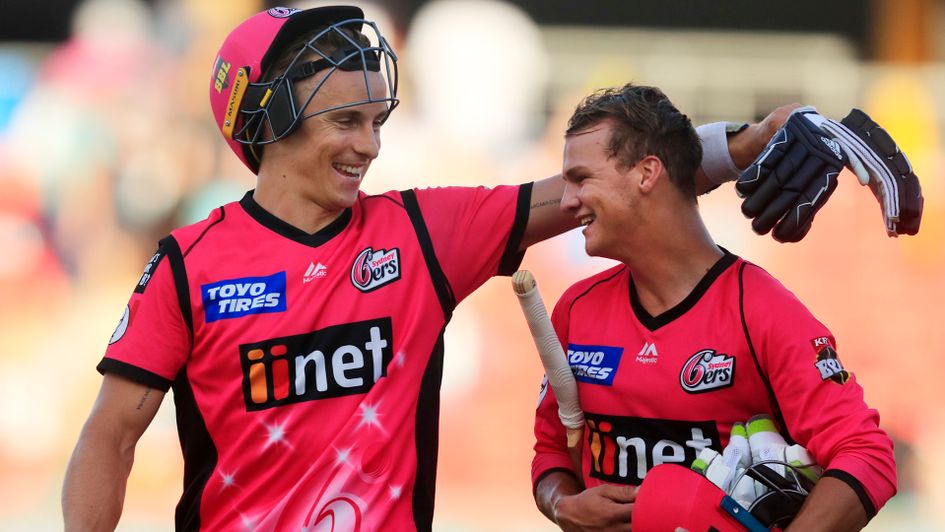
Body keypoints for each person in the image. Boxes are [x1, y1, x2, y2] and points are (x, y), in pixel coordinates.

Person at [61, 6, 798, 531]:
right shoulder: (185, 267)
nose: (370, 146)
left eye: (376, 121)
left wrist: (745, 145)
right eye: (345, 122)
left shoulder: (422, 233)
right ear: (269, 122)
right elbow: (109, 439)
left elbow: (612, 189)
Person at [530, 84, 897, 531]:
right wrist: (560, 504)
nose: (566, 203)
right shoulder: (575, 309)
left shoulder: (761, 310)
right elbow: (550, 450)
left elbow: (867, 455)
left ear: (647, 174)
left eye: (581, 179)